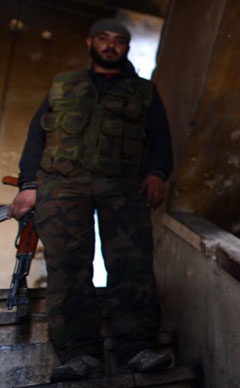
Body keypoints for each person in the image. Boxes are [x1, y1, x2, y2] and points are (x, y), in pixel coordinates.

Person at [7, 19, 173, 382]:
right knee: (68, 270)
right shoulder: (64, 84)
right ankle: (79, 353)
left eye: (119, 41)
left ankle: (139, 348)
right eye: (104, 39)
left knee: (132, 265)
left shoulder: (143, 92)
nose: (111, 46)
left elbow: (160, 138)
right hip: (62, 186)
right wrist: (29, 184)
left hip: (123, 186)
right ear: (90, 42)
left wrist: (157, 173)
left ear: (126, 48)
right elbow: (37, 136)